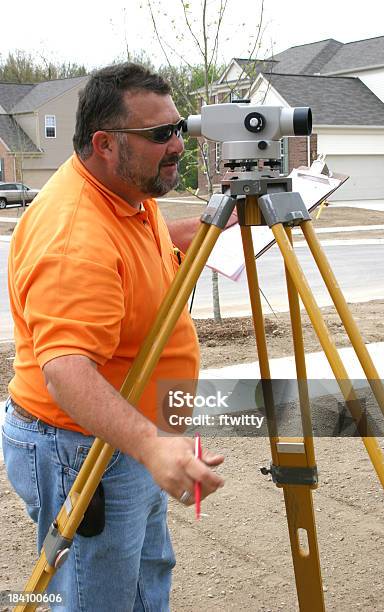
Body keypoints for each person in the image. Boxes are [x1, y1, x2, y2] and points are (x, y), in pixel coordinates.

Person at [2, 63, 225, 611]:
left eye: (180, 128)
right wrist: (151, 446)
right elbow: (66, 369)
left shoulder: (126, 190)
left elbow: (137, 256)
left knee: (146, 578)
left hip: (128, 437)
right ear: (105, 143)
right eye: (159, 135)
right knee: (95, 597)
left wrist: (216, 225)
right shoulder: (75, 236)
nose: (177, 145)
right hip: (85, 447)